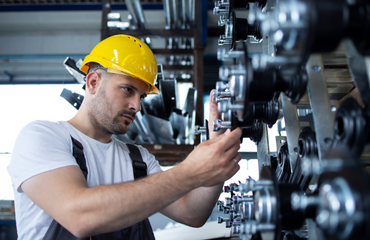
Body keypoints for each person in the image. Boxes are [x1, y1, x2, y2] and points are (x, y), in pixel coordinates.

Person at [7, 34, 242, 240]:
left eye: (141, 96)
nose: (137, 106)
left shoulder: (138, 160)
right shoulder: (42, 137)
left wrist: (216, 149)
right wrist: (189, 172)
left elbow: (193, 214)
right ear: (93, 82)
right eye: (128, 90)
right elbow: (78, 216)